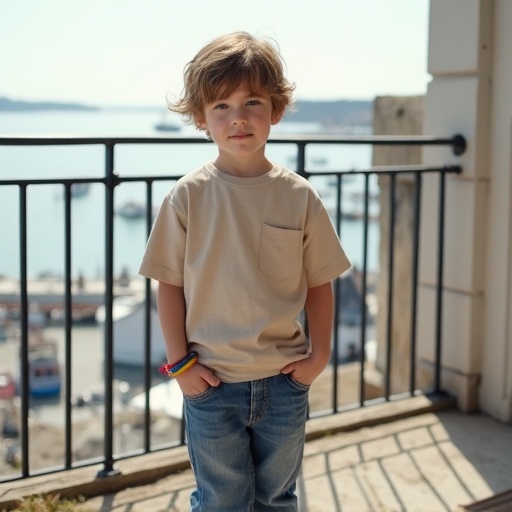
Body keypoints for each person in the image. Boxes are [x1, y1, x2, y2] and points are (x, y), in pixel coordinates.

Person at [139, 31, 351, 512]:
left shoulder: (299, 197)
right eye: (221, 106)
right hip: (210, 383)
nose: (238, 117)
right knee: (223, 502)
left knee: (277, 497)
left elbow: (320, 283)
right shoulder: (187, 196)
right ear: (200, 118)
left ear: (275, 110)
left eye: (252, 101)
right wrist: (181, 366)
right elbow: (167, 285)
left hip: (284, 382)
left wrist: (318, 359)